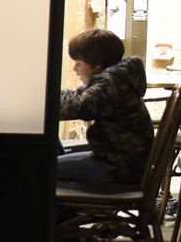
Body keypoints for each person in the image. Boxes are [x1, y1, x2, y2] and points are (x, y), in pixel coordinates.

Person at [56, 29, 154, 188]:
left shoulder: (110, 83)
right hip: (125, 162)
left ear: (96, 64)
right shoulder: (115, 78)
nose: (75, 69)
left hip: (121, 169)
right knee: (52, 164)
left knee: (44, 171)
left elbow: (80, 106)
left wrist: (45, 100)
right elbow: (78, 95)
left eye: (78, 63)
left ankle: (68, 211)